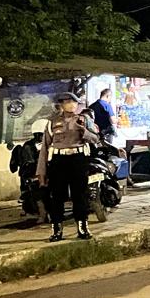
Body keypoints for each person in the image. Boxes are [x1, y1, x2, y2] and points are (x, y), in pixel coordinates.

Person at [37, 92, 98, 241]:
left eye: (73, 102)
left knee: (80, 195)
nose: (71, 105)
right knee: (57, 196)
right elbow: (45, 147)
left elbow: (96, 138)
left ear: (77, 104)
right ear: (61, 105)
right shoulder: (52, 122)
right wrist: (41, 171)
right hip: (59, 160)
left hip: (78, 159)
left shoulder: (84, 120)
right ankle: (57, 230)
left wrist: (84, 131)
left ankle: (83, 228)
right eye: (67, 102)